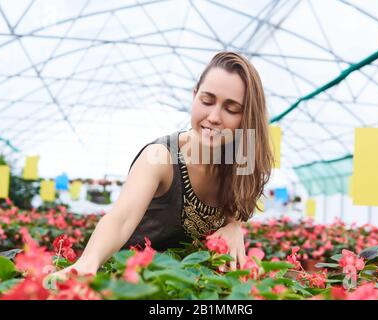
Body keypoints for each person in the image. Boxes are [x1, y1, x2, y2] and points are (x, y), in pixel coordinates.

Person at [56, 51, 273, 276]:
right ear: (194, 95)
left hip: (190, 283)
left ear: (246, 117)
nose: (214, 116)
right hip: (132, 280)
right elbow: (120, 219)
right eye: (207, 101)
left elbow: (235, 214)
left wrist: (234, 227)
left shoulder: (240, 161)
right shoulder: (160, 158)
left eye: (232, 109)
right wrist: (87, 263)